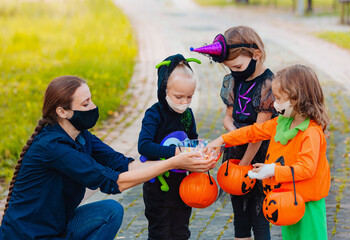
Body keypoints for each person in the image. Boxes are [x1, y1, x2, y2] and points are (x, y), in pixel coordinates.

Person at [0, 75, 215, 240]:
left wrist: (185, 159)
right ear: (62, 112)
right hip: (28, 234)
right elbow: (113, 182)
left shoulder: (82, 137)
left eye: (91, 100)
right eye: (85, 104)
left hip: (57, 226)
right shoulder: (52, 147)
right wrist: (174, 162)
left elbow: (124, 165)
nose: (93, 108)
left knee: (110, 211)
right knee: (111, 205)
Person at [208, 65, 331, 240]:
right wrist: (223, 140)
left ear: (297, 98)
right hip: (287, 201)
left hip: (307, 203)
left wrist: (273, 170)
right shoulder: (282, 122)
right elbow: (253, 132)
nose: (275, 103)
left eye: (279, 98)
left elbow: (306, 169)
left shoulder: (311, 133)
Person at [191, 25, 277, 240]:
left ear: (256, 54)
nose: (235, 72)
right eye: (231, 68)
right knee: (239, 213)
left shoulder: (268, 85)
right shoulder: (233, 81)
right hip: (235, 153)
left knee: (259, 213)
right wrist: (233, 132)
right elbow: (228, 117)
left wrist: (244, 166)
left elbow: (258, 133)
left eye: (238, 66)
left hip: (257, 158)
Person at [137, 54, 201, 240]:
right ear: (163, 89)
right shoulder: (154, 114)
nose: (184, 102)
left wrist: (200, 151)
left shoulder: (187, 115)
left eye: (190, 97)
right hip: (157, 186)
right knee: (160, 232)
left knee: (181, 230)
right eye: (179, 97)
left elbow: (193, 139)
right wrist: (177, 153)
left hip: (183, 186)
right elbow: (144, 146)